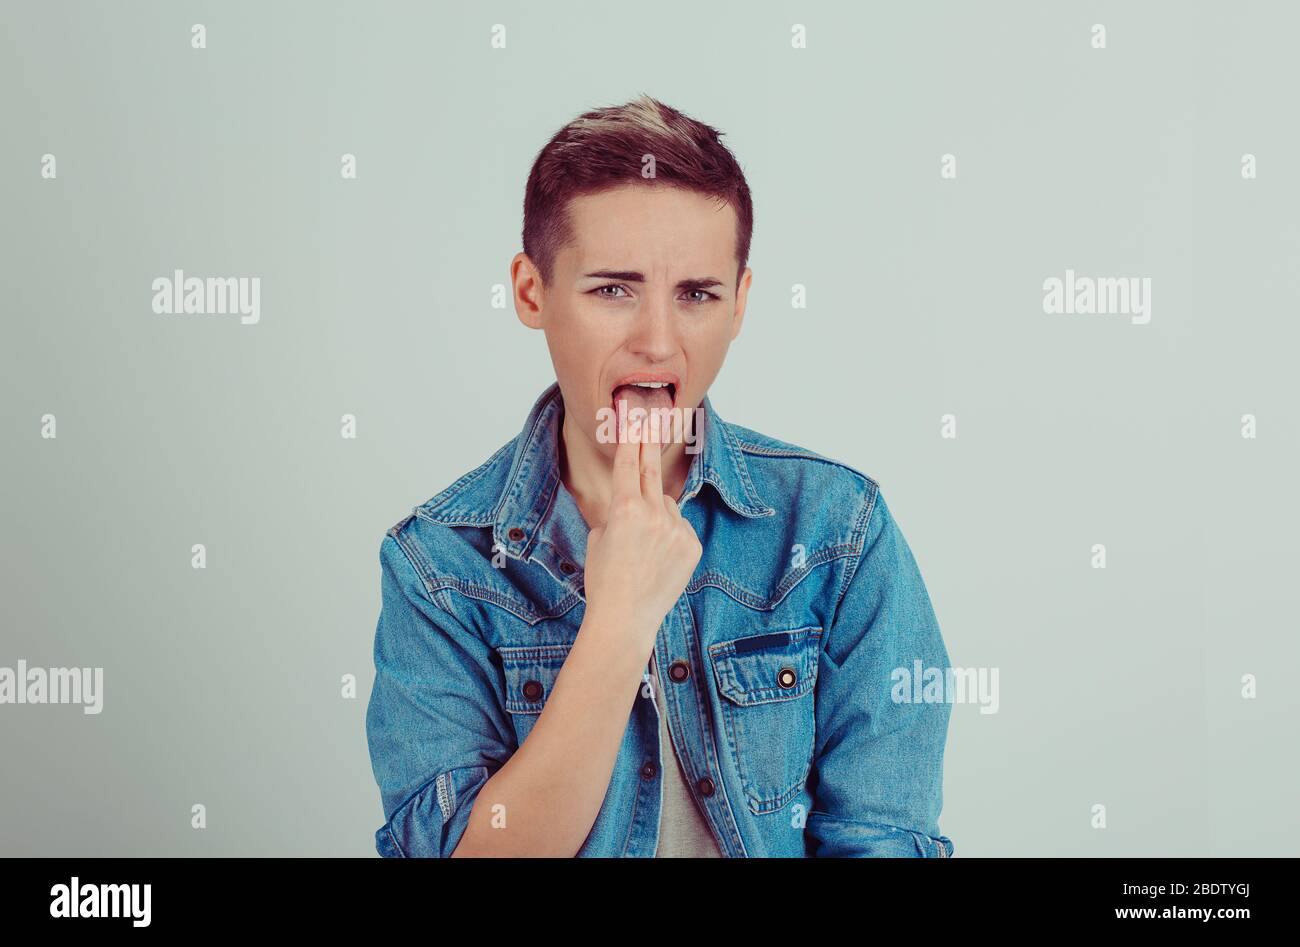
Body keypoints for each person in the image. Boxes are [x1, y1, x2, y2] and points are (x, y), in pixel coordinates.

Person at [364, 94, 955, 857]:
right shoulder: (438, 564)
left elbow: (884, 837)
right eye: (614, 289)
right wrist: (618, 621)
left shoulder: (839, 530)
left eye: (697, 295)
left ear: (740, 303)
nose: (657, 340)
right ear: (530, 292)